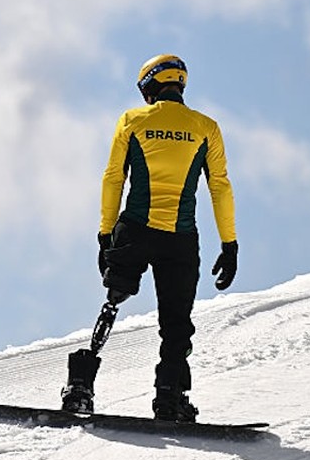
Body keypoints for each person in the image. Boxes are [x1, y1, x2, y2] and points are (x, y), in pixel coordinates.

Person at [60, 54, 238, 421]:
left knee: (114, 300)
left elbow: (113, 178)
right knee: (176, 324)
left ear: (149, 86)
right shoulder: (207, 127)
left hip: (135, 230)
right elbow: (219, 186)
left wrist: (105, 235)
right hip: (181, 239)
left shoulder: (132, 121)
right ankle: (169, 397)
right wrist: (229, 244)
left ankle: (80, 388)